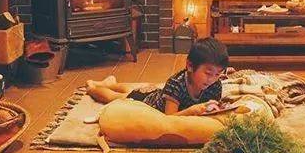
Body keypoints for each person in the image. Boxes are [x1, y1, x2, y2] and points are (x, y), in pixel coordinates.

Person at [86, 37, 228, 116]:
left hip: (157, 92)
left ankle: (110, 83)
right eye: (208, 73)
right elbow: (169, 118)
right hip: (147, 102)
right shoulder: (176, 84)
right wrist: (192, 111)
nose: (212, 79)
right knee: (117, 97)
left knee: (133, 89)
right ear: (190, 66)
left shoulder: (215, 86)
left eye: (217, 74)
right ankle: (92, 87)